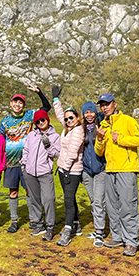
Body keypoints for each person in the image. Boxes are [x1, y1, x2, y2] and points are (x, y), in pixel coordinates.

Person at [95, 93, 139, 257]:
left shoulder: (128, 121)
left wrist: (122, 138)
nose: (104, 107)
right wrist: (99, 138)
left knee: (127, 206)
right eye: (102, 105)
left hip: (126, 169)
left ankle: (131, 241)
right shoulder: (103, 125)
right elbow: (99, 152)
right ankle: (117, 237)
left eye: (107, 104)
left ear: (115, 104)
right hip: (110, 170)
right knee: (112, 207)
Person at [0, 85, 51, 233]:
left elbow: (46, 107)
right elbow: (0, 142)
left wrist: (39, 92)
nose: (17, 104)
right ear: (11, 104)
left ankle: (34, 220)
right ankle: (14, 220)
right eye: (15, 102)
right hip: (11, 163)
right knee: (13, 192)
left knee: (30, 191)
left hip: (28, 162)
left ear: (24, 105)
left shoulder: (30, 115)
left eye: (20, 102)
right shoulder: (4, 121)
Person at [52, 86, 85, 247]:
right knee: (69, 198)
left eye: (71, 118)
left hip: (72, 171)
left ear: (78, 118)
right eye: (66, 119)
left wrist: (64, 169)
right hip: (63, 169)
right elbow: (59, 116)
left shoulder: (78, 131)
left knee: (67, 199)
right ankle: (76, 224)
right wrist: (56, 100)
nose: (68, 121)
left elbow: (73, 153)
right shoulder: (67, 128)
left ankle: (67, 230)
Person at [21, 109, 61, 241]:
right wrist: (24, 165)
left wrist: (48, 145)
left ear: (47, 120)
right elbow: (26, 150)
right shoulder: (31, 135)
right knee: (35, 199)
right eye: (37, 121)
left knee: (48, 199)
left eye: (42, 120)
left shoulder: (55, 136)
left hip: (45, 173)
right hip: (30, 172)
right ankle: (38, 224)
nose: (40, 123)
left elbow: (56, 154)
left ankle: (50, 227)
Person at [81, 101, 106, 247]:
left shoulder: (102, 125)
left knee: (98, 201)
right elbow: (64, 118)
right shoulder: (82, 128)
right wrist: (56, 101)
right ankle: (98, 229)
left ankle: (100, 232)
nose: (89, 115)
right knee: (93, 201)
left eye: (91, 111)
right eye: (86, 112)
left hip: (100, 170)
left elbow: (109, 115)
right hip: (86, 171)